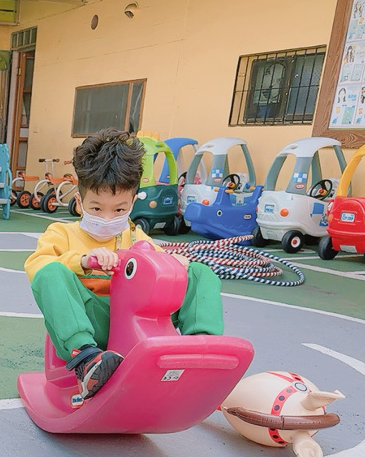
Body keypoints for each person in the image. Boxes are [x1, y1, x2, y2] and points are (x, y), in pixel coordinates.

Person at [24, 129, 224, 405]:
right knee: (50, 272)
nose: (107, 218)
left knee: (198, 273)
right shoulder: (61, 233)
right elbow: (38, 266)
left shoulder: (135, 237)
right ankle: (87, 360)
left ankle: (202, 350)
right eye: (96, 209)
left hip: (134, 322)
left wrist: (174, 264)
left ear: (132, 203)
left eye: (119, 210)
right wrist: (82, 261)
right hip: (93, 325)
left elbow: (162, 269)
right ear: (80, 202)